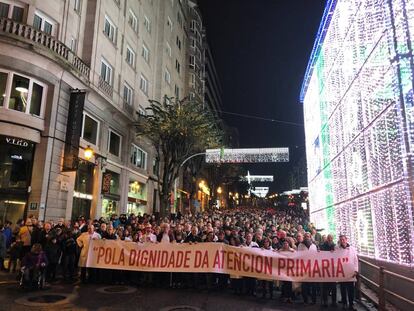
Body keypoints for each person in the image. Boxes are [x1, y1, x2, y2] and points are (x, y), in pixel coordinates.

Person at [336, 235, 358, 310]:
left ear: (346, 240)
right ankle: (344, 303)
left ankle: (351, 304)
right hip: (342, 272)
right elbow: (333, 257)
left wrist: (356, 270)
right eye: (341, 240)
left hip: (350, 272)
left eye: (343, 239)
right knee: (342, 289)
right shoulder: (337, 249)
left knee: (351, 289)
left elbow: (355, 260)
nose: (342, 241)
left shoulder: (352, 249)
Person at [320, 234, 337, 307]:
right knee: (324, 287)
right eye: (328, 238)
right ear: (327, 238)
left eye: (331, 238)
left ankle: (333, 301)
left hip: (332, 269)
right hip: (325, 268)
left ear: (332, 238)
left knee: (333, 287)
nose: (330, 239)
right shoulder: (323, 245)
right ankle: (325, 301)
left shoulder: (335, 246)